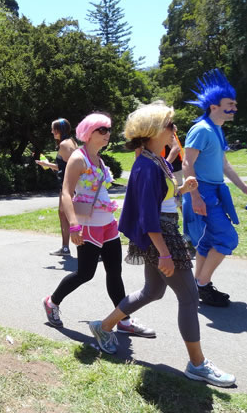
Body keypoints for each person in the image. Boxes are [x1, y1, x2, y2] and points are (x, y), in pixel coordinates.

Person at [87, 101, 235, 387]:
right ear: (153, 130)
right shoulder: (147, 165)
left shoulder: (157, 160)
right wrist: (165, 253)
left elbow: (161, 198)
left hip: (162, 234)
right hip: (161, 237)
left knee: (152, 291)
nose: (174, 129)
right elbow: (148, 215)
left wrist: (182, 189)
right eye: (169, 125)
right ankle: (197, 364)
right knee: (189, 297)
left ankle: (103, 326)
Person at [42, 113, 154, 337]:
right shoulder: (78, 158)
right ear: (88, 133)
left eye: (108, 129)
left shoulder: (98, 159)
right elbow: (66, 193)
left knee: (115, 272)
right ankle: (52, 302)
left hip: (108, 224)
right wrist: (74, 225)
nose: (107, 134)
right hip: (87, 226)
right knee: (85, 274)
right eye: (101, 130)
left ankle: (124, 320)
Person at [181, 69, 246, 307]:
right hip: (203, 192)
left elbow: (224, 164)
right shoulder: (201, 129)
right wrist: (196, 196)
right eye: (230, 104)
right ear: (214, 106)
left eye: (235, 104)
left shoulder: (216, 129)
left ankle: (198, 284)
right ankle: (203, 284)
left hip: (215, 192)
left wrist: (243, 187)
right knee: (227, 238)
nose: (235, 108)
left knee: (208, 242)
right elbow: (187, 163)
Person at [36, 118, 79, 256]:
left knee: (67, 215)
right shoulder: (70, 142)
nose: (52, 132)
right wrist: (47, 164)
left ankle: (72, 247)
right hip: (68, 184)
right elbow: (64, 166)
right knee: (63, 214)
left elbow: (74, 166)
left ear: (60, 130)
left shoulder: (65, 145)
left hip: (69, 185)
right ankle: (65, 247)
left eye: (54, 129)